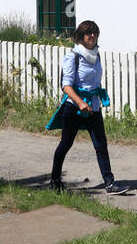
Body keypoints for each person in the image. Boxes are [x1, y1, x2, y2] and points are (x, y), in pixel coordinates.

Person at [49, 20, 129, 194]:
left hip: (93, 107)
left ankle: (110, 183)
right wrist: (80, 102)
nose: (92, 36)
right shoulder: (73, 56)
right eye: (88, 33)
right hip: (74, 107)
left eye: (95, 32)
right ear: (80, 36)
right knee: (66, 144)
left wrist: (93, 99)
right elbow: (66, 86)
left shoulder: (96, 55)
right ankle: (54, 180)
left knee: (101, 145)